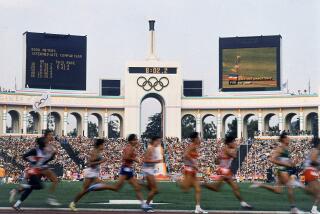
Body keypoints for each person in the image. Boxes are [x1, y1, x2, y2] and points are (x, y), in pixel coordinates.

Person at [250, 132, 302, 214]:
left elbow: (285, 161)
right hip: (281, 170)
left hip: (282, 170)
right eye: (287, 138)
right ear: (284, 139)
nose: (289, 139)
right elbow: (272, 159)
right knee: (290, 186)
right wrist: (286, 164)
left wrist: (292, 163)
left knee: (278, 190)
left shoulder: (285, 148)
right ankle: (293, 208)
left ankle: (260, 184)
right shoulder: (280, 148)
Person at [204, 135, 252, 209]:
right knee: (219, 188)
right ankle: (201, 184)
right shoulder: (226, 149)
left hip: (226, 171)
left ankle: (243, 203)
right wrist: (236, 148)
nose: (234, 143)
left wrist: (219, 158)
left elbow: (217, 162)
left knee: (233, 188)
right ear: (229, 143)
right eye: (233, 142)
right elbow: (234, 156)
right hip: (224, 171)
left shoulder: (225, 149)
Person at [69, 139, 109, 211]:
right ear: (100, 145)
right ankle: (73, 202)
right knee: (102, 185)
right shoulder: (95, 152)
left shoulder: (97, 152)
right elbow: (89, 164)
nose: (104, 146)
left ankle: (73, 203)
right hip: (91, 172)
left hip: (92, 172)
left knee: (84, 191)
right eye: (103, 145)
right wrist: (101, 161)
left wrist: (100, 161)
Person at [10, 137, 48, 210]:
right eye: (45, 142)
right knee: (40, 186)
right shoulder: (35, 150)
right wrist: (32, 161)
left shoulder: (44, 151)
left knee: (29, 191)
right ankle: (24, 186)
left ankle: (16, 203)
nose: (46, 143)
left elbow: (44, 161)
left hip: (38, 172)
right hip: (33, 171)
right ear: (42, 143)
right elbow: (24, 156)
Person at [179, 132, 207, 214]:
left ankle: (197, 208)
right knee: (185, 189)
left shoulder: (195, 146)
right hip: (188, 170)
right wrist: (193, 163)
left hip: (193, 170)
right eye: (198, 137)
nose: (199, 139)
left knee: (198, 189)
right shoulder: (191, 146)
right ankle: (178, 180)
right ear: (195, 139)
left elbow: (189, 156)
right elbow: (185, 155)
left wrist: (195, 165)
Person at [142, 136, 163, 212]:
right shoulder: (150, 148)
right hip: (148, 170)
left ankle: (143, 185)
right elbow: (145, 160)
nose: (159, 143)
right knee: (154, 189)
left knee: (154, 190)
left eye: (159, 141)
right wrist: (156, 161)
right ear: (154, 141)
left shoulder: (154, 149)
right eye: (158, 141)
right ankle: (146, 205)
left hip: (150, 170)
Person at [41, 129, 60, 206]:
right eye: (51, 134)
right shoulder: (44, 145)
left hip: (42, 166)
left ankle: (16, 191)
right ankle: (50, 199)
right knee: (55, 180)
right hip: (41, 166)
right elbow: (43, 158)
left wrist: (54, 154)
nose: (52, 136)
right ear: (47, 135)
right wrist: (53, 153)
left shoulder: (50, 146)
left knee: (33, 185)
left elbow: (50, 159)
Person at [302, 137, 320, 214]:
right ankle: (314, 209)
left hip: (311, 171)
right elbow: (313, 161)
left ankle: (314, 209)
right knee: (318, 193)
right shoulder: (315, 150)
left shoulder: (315, 150)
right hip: (310, 170)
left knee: (315, 193)